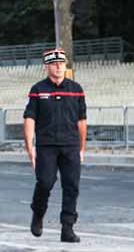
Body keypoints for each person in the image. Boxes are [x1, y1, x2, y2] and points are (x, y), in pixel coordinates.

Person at [23, 47, 88, 243]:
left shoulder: (76, 89)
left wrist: (82, 148)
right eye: (54, 64)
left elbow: (82, 121)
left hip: (70, 145)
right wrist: (29, 147)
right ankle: (38, 213)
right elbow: (29, 118)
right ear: (47, 67)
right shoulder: (38, 90)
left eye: (61, 63)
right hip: (47, 146)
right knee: (45, 182)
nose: (59, 67)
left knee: (72, 187)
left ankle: (67, 228)